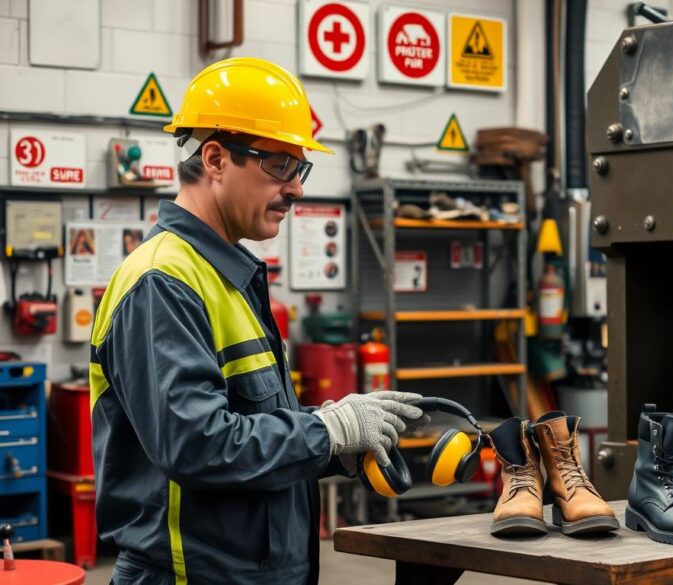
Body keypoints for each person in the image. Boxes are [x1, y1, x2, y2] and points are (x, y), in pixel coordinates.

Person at [89, 57, 426, 584]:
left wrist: (341, 440)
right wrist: (325, 432)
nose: (296, 188)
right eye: (279, 165)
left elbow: (249, 425)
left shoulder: (227, 276)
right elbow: (196, 443)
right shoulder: (162, 282)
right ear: (217, 159)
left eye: (300, 169)